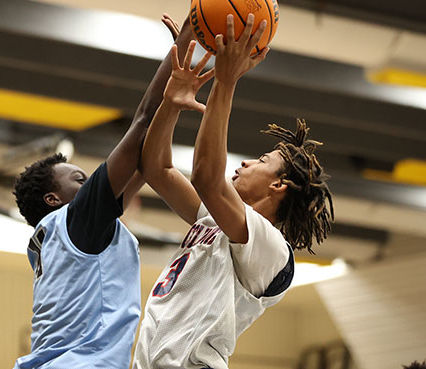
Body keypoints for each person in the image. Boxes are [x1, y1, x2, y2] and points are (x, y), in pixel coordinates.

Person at [134, 14, 334, 369]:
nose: (243, 165)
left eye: (260, 160)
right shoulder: (214, 222)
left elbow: (207, 180)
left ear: (278, 185)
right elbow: (157, 169)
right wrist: (171, 103)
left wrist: (225, 83)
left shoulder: (271, 248)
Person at [11, 14, 195, 369]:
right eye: (80, 180)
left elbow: (146, 162)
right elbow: (143, 120)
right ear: (53, 199)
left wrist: (174, 101)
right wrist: (189, 35)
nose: (90, 182)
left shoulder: (52, 243)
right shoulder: (75, 221)